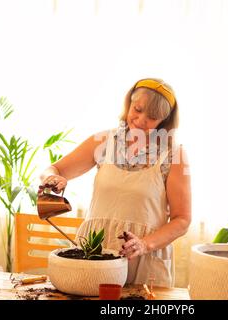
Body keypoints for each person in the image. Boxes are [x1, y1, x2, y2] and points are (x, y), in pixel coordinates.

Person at [38, 78, 191, 288]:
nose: (141, 120)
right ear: (129, 103)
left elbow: (182, 220)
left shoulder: (174, 154)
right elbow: (53, 169)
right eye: (137, 109)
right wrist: (52, 178)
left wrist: (144, 244)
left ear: (164, 121)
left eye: (152, 117)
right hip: (95, 252)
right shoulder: (102, 141)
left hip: (144, 259)